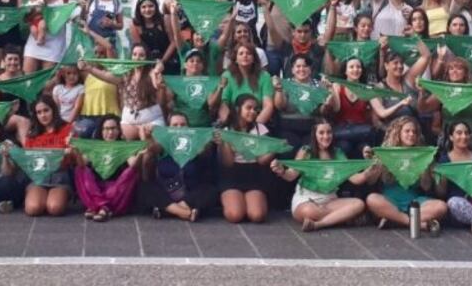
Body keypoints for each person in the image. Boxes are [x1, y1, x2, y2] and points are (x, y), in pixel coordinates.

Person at [270, 119, 369, 231]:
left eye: (329, 132)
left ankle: (319, 224)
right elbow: (291, 175)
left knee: (359, 204)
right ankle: (343, 217)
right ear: (314, 135)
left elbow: (356, 179)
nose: (326, 136)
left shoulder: (338, 153)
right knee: (309, 211)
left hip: (330, 200)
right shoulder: (305, 152)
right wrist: (281, 171)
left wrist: (372, 167)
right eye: (321, 133)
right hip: (307, 199)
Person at [364, 116, 446, 234]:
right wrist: (373, 163)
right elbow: (371, 181)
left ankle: (395, 220)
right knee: (371, 199)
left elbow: (426, 187)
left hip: (415, 202)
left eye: (414, 132)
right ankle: (413, 223)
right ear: (398, 133)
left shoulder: (422, 154)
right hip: (390, 201)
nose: (411, 134)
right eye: (407, 131)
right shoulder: (387, 151)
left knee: (441, 207)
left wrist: (425, 167)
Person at [136, 111, 217, 222]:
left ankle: (168, 210)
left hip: (189, 193)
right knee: (145, 188)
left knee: (210, 190)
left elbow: (205, 151)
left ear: (188, 127)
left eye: (183, 125)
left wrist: (201, 146)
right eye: (175, 125)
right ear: (168, 128)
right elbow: (150, 149)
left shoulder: (195, 141)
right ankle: (185, 212)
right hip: (166, 192)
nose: (179, 128)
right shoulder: (162, 143)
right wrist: (148, 136)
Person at [79, 45, 166, 139]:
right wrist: (87, 67)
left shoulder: (152, 73)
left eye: (141, 55)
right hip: (128, 121)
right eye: (134, 54)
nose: (137, 58)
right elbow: (105, 75)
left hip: (151, 120)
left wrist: (157, 69)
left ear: (147, 57)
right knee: (123, 143)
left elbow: (157, 80)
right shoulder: (125, 74)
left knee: (148, 147)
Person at [217, 94, 278, 223]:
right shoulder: (227, 129)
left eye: (255, 109)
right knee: (235, 215)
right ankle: (235, 202)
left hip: (254, 173)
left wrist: (275, 149)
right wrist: (227, 140)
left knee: (257, 216)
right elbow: (227, 162)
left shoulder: (260, 129)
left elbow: (262, 160)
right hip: (232, 174)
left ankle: (247, 203)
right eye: (248, 108)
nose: (253, 112)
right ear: (238, 109)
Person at [13, 95, 74, 217]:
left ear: (53, 110)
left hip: (59, 177)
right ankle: (38, 196)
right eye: (39, 112)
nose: (43, 115)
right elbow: (29, 161)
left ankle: (60, 197)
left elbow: (72, 160)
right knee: (33, 209)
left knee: (54, 208)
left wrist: (71, 149)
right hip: (39, 178)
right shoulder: (32, 133)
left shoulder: (67, 129)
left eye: (46, 110)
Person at [73, 116, 142, 221]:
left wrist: (140, 155)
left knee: (131, 172)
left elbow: (133, 164)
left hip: (115, 191)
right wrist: (76, 152)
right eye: (106, 129)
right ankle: (103, 207)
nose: (110, 132)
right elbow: (83, 163)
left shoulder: (124, 146)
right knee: (80, 170)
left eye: (113, 128)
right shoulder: (95, 146)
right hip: (95, 188)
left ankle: (95, 206)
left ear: (119, 130)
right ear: (101, 131)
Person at [273, 54, 336, 150]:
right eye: (298, 66)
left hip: (311, 128)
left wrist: (328, 102)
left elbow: (323, 112)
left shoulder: (319, 86)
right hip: (288, 127)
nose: (301, 69)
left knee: (309, 150)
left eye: (305, 66)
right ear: (292, 70)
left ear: (310, 69)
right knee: (289, 148)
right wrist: (279, 90)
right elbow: (280, 106)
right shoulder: (285, 84)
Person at [23, 0, 73, 72]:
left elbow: (73, 18)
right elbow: (26, 18)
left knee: (47, 82)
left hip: (54, 44)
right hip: (34, 42)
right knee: (27, 78)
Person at [215, 43, 274, 125]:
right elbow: (223, 104)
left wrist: (255, 128)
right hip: (233, 123)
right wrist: (231, 125)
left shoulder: (265, 76)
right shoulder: (227, 76)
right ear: (236, 59)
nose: (245, 56)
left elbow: (268, 106)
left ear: (254, 58)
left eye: (249, 53)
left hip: (258, 122)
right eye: (241, 53)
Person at [329, 58, 377, 159]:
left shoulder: (367, 89)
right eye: (351, 67)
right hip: (342, 129)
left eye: (358, 67)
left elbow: (381, 112)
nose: (355, 69)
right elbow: (336, 109)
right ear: (345, 71)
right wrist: (331, 90)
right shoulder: (337, 86)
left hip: (361, 130)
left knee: (364, 146)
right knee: (344, 146)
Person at [130, 0, 177, 74]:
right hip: (147, 62)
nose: (147, 10)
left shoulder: (165, 20)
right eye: (143, 7)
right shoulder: (135, 25)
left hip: (168, 59)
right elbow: (139, 48)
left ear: (156, 7)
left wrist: (162, 61)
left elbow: (173, 42)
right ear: (139, 9)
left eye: (151, 6)